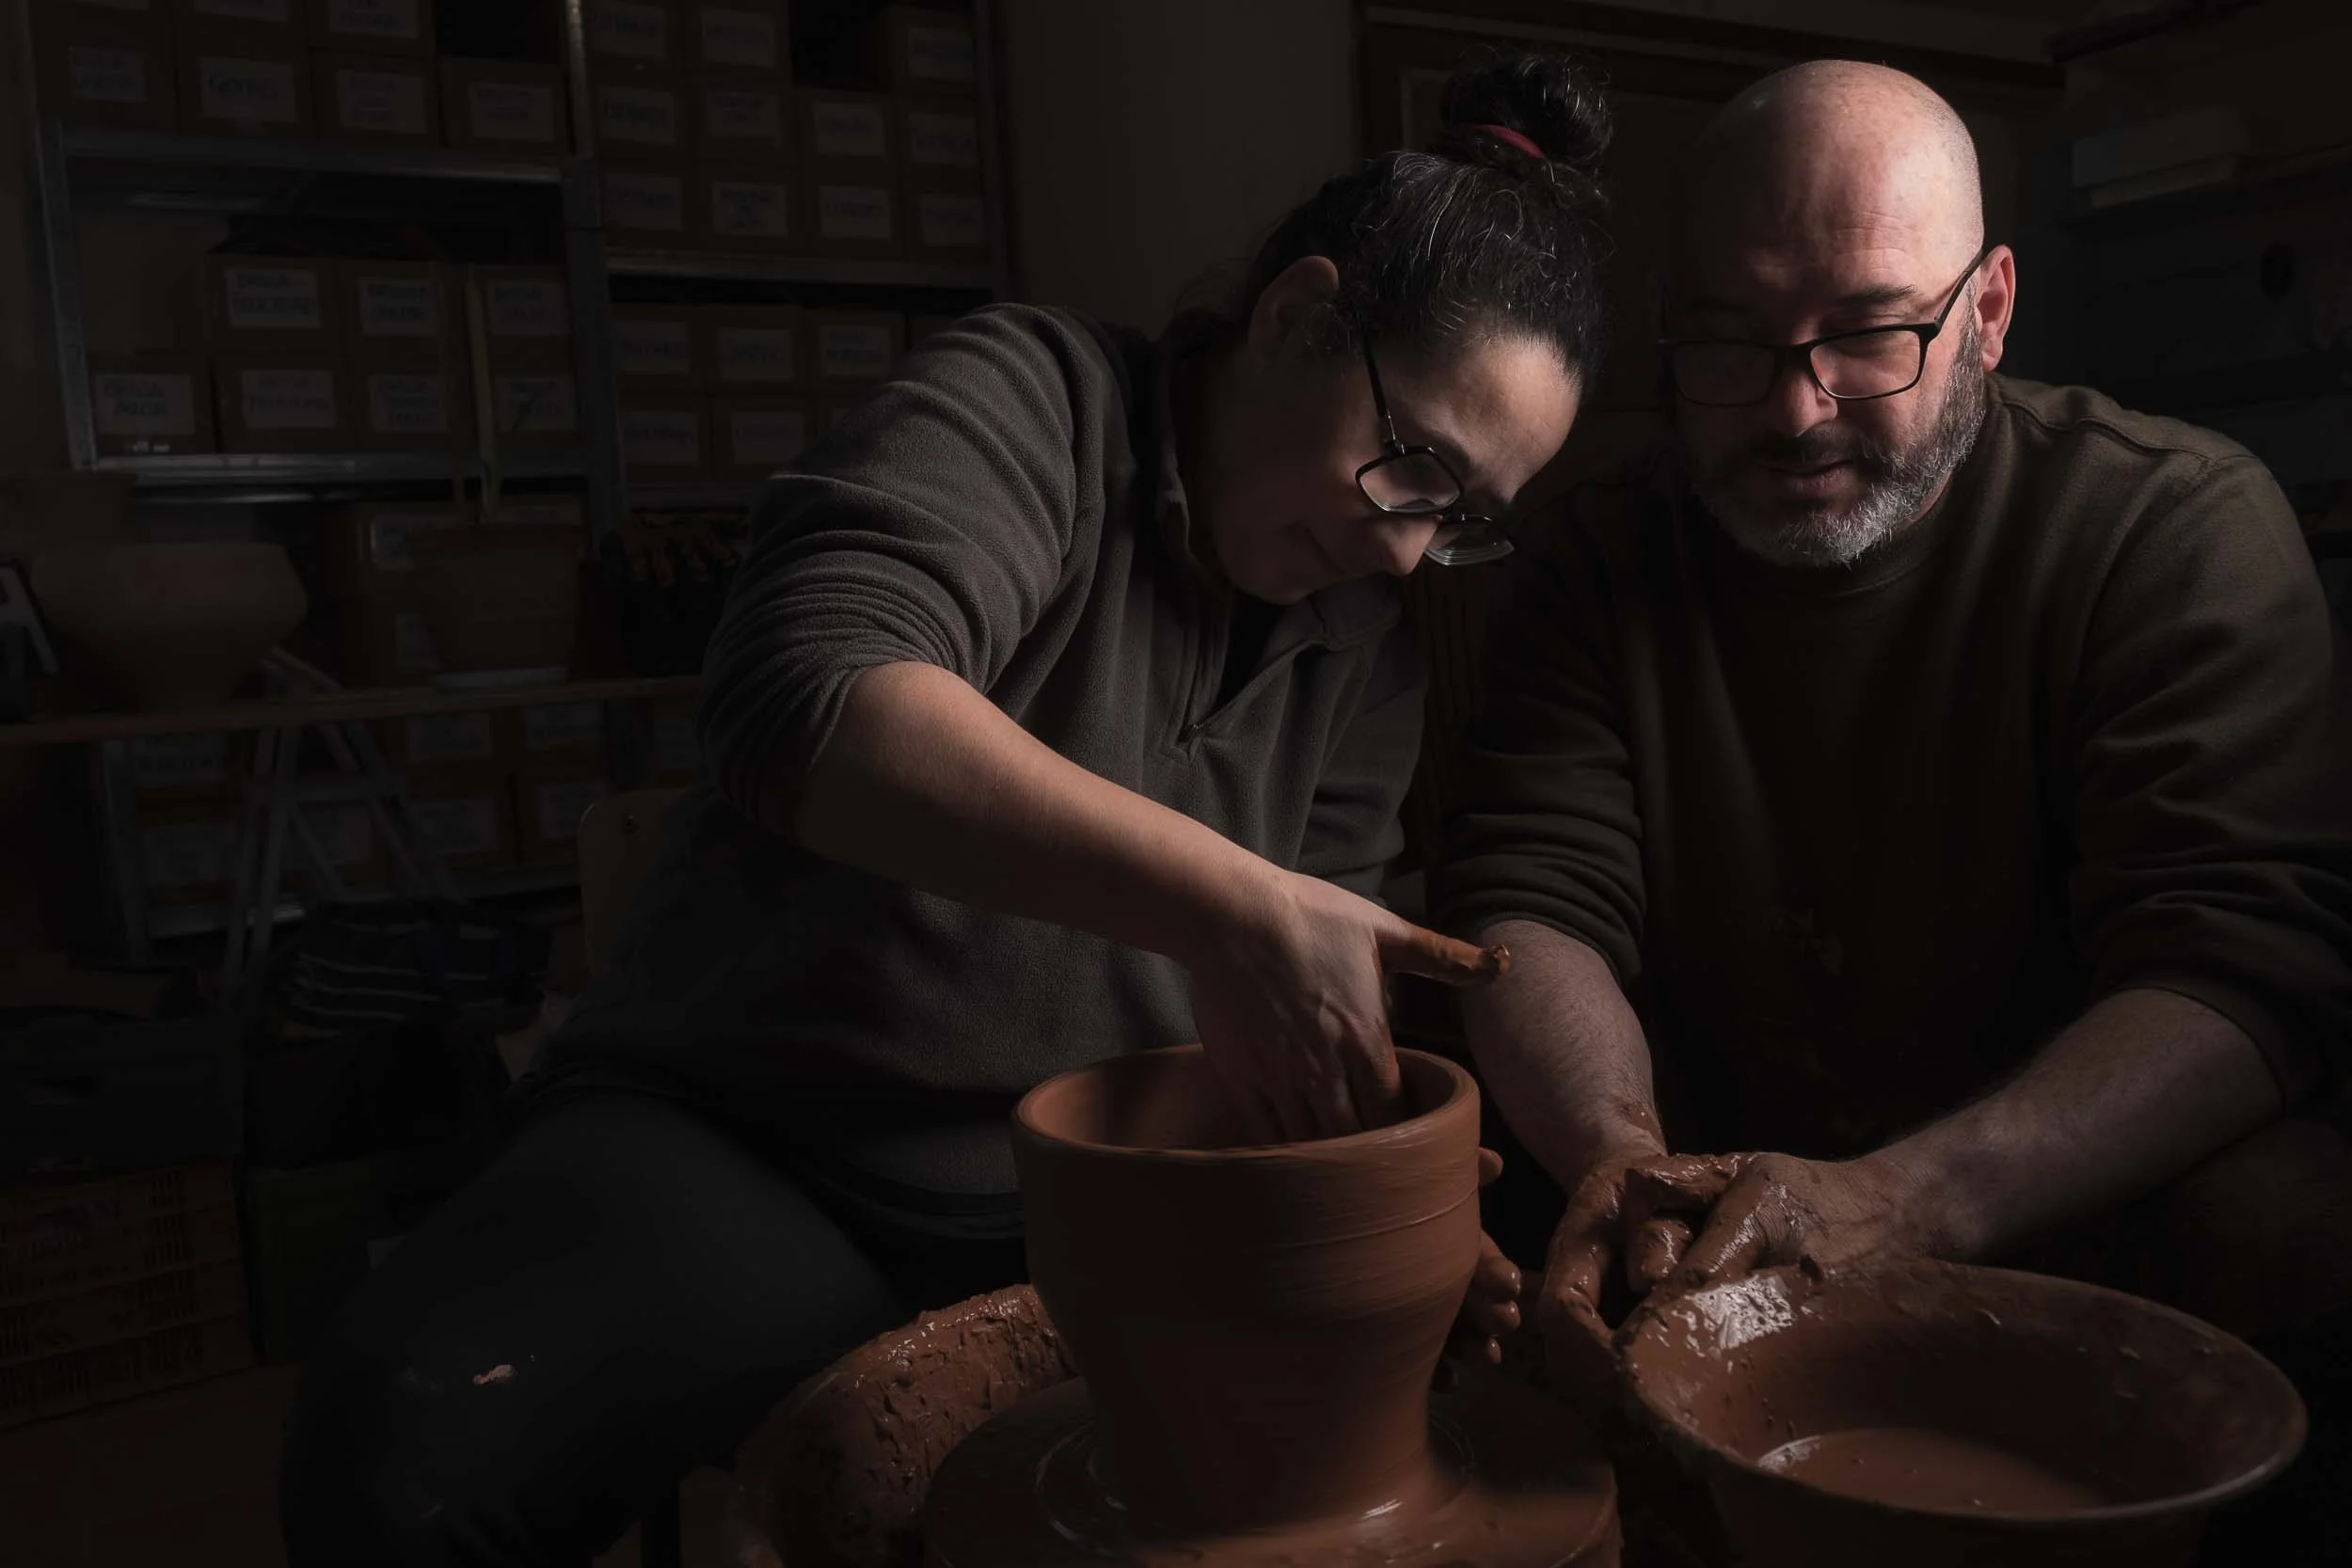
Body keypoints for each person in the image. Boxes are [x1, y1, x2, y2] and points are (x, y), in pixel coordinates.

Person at [280, 54, 1614, 1567]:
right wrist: (1228, 903)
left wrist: (1389, 1216)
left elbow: (1284, 1020)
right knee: (405, 1448)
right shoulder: (1038, 402)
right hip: (773, 1140)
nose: (1404, 551)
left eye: (1463, 519)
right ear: (1296, 314)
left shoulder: (1359, 640)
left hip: (1095, 1203)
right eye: (1414, 468)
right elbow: (805, 694)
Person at [1438, 60, 2352, 1388]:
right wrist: (1620, 1163)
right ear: (1665, 323)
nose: (1795, 408)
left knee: (2287, 1209)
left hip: (2070, 1196)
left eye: (1871, 332)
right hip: (1704, 1192)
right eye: (1730, 339)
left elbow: (2245, 971)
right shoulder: (1593, 548)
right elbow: (1530, 899)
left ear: (1987, 312)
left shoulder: (2175, 525)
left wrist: (1907, 1202)